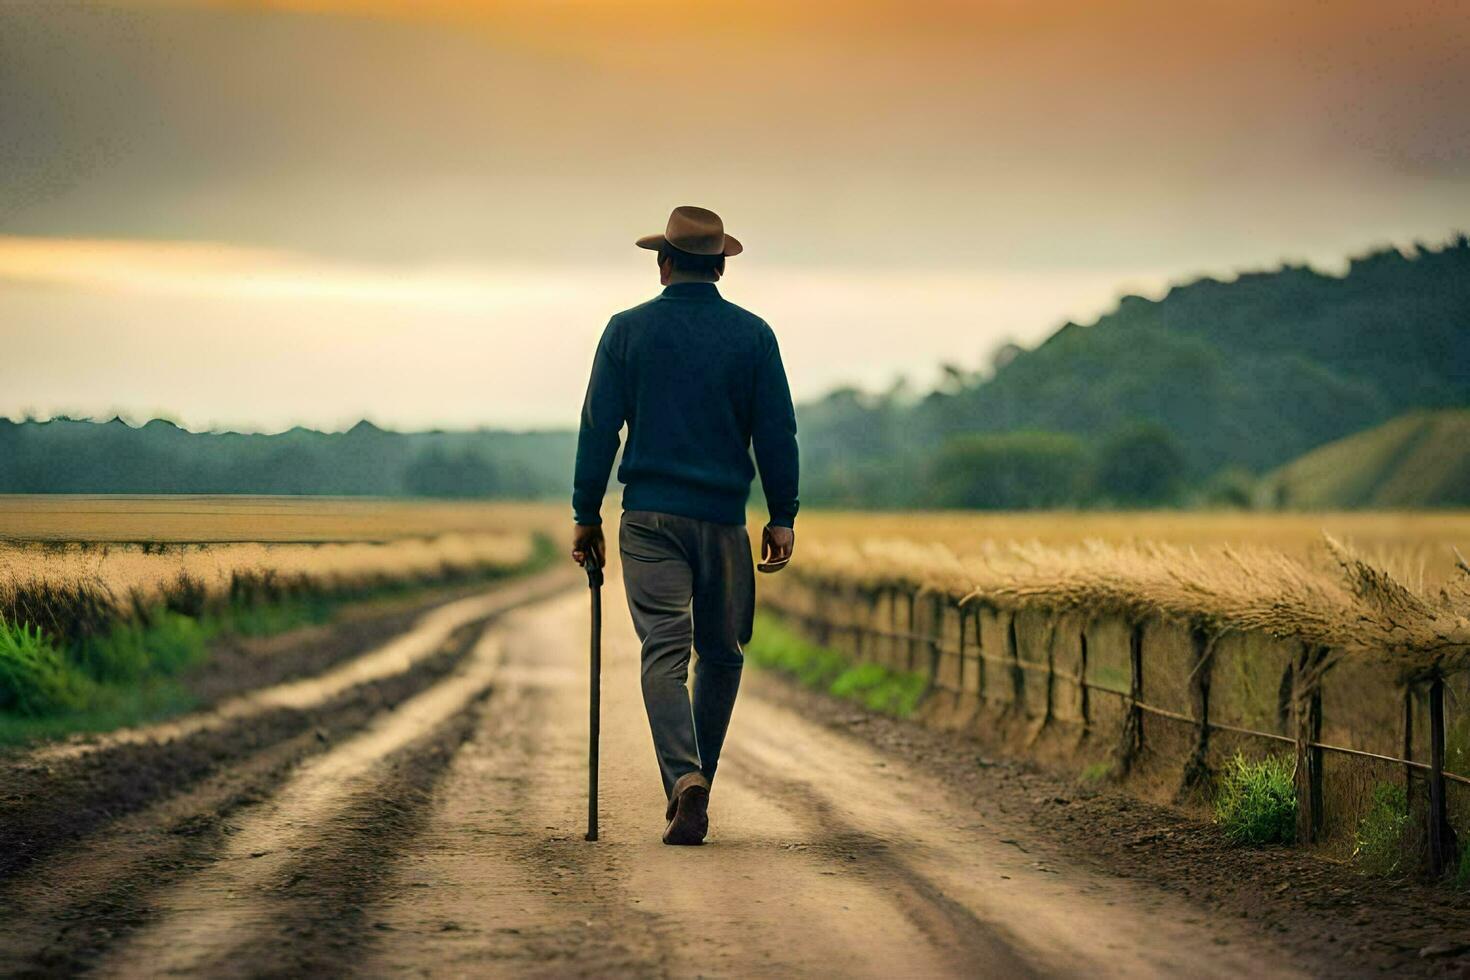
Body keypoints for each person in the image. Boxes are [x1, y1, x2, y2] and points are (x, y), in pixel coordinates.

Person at [571, 205, 799, 846]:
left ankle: (684, 780)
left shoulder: (626, 331)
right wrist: (782, 514)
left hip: (647, 520)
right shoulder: (754, 335)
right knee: (721, 655)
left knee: (664, 651)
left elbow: (599, 427)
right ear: (721, 266)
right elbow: (776, 432)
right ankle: (696, 782)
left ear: (663, 263)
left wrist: (586, 512)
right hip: (723, 520)